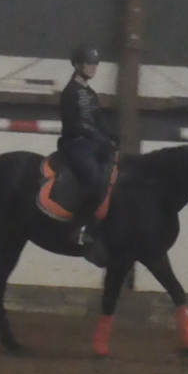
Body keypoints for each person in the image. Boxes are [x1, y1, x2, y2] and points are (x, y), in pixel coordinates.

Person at [57, 44, 117, 265]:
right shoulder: (70, 93)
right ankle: (79, 226)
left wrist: (112, 137)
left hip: (93, 144)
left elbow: (97, 121)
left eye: (95, 64)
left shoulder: (91, 94)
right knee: (93, 179)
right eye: (89, 63)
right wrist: (101, 139)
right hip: (76, 144)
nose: (93, 67)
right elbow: (77, 125)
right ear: (77, 65)